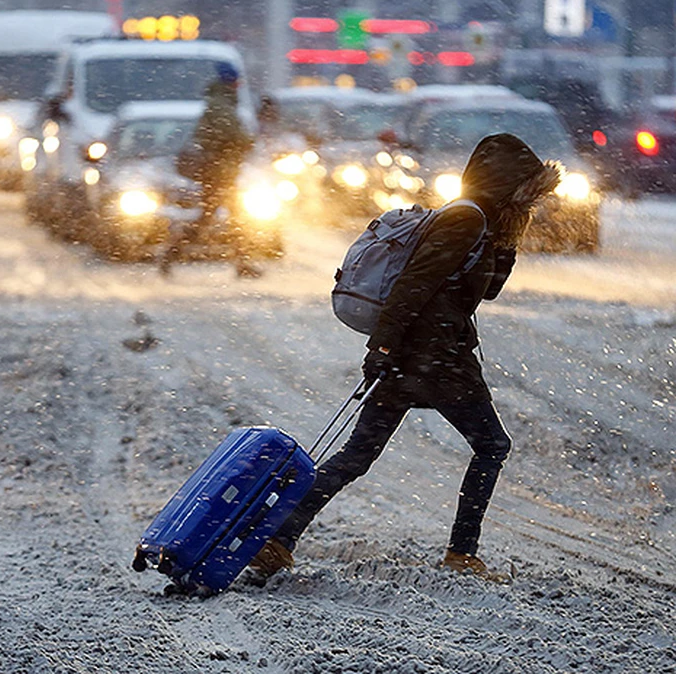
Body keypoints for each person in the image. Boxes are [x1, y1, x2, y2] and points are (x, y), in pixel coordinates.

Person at [250, 133, 563, 583]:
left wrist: (507, 243)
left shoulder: (483, 225)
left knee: (358, 455)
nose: (533, 202)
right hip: (436, 356)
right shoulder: (464, 221)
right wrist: (381, 346)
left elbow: (486, 292)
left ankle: (280, 539)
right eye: (527, 192)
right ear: (506, 184)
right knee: (492, 445)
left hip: (420, 355)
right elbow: (412, 286)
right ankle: (461, 553)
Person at [163, 61, 255, 277]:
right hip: (219, 173)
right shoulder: (220, 106)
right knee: (218, 219)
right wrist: (247, 142)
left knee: (225, 218)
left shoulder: (218, 103)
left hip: (219, 171)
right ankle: (171, 254)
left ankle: (241, 263)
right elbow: (236, 136)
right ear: (231, 82)